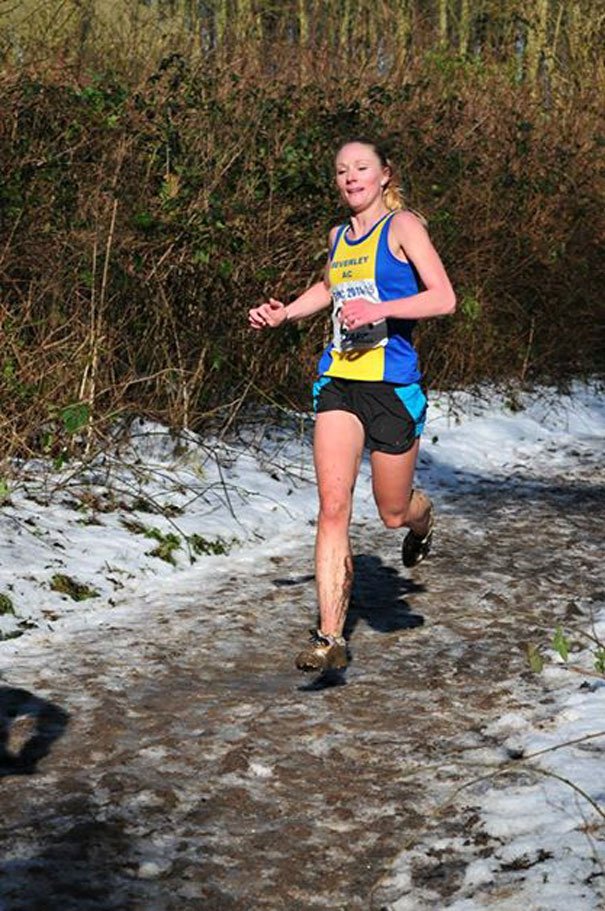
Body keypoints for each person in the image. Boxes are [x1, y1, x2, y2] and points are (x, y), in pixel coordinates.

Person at [248, 138, 456, 673]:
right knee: (333, 506)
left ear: (385, 174)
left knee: (391, 512)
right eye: (341, 171)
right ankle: (330, 636)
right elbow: (330, 288)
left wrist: (382, 308)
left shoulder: (405, 227)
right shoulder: (338, 236)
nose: (350, 178)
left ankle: (422, 517)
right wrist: (286, 313)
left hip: (392, 385)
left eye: (361, 168)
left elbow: (443, 298)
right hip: (339, 378)